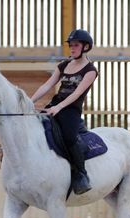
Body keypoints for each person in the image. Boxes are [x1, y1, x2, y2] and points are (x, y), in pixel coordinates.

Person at [31, 29, 98, 195]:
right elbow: (47, 85)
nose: (72, 49)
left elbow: (77, 94)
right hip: (55, 104)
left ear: (85, 47)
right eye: (71, 46)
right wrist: (29, 101)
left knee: (69, 137)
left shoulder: (90, 70)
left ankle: (81, 174)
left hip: (71, 110)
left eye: (76, 45)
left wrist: (59, 108)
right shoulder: (63, 65)